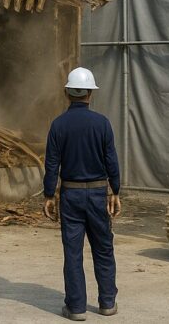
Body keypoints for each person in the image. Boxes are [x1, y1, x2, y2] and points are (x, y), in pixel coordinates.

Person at [43, 67, 121, 321]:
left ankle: (76, 308)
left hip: (71, 196)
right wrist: (116, 191)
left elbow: (52, 164)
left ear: (68, 93)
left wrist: (48, 195)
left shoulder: (58, 125)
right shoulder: (102, 123)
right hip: (98, 194)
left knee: (73, 253)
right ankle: (107, 303)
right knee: (103, 249)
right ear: (90, 93)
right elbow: (112, 161)